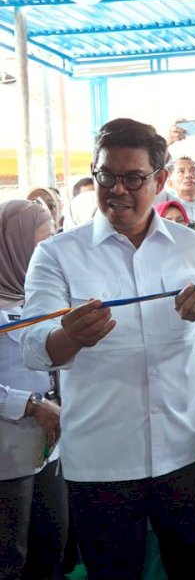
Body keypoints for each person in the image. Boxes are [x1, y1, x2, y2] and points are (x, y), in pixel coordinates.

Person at [21, 118, 195, 579]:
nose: (118, 190)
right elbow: (33, 346)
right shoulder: (56, 254)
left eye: (134, 178)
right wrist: (69, 337)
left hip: (185, 448)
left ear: (160, 180)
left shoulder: (191, 248)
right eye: (107, 175)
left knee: (194, 568)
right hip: (102, 457)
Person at [0, 200, 67, 579]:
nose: (46, 258)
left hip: (49, 447)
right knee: (10, 559)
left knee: (51, 547)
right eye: (39, 247)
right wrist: (30, 404)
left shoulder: (39, 299)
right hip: (6, 457)